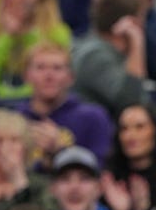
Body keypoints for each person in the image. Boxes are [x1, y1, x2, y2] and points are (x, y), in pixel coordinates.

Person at [16, 41, 113, 171]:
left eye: (57, 68)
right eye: (40, 67)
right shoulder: (15, 120)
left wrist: (61, 150)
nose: (49, 76)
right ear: (26, 76)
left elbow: (100, 170)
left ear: (71, 77)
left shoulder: (93, 118)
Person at [0, 0, 71, 100]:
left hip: (39, 105)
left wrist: (27, 35)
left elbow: (53, 83)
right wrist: (8, 38)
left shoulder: (57, 34)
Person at [70, 0, 149, 118]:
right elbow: (133, 103)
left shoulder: (98, 48)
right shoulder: (95, 56)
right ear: (132, 21)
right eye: (142, 17)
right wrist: (137, 42)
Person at [0, 108, 55, 210]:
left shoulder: (40, 186)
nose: (5, 148)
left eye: (14, 140)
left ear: (26, 147)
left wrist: (19, 181)